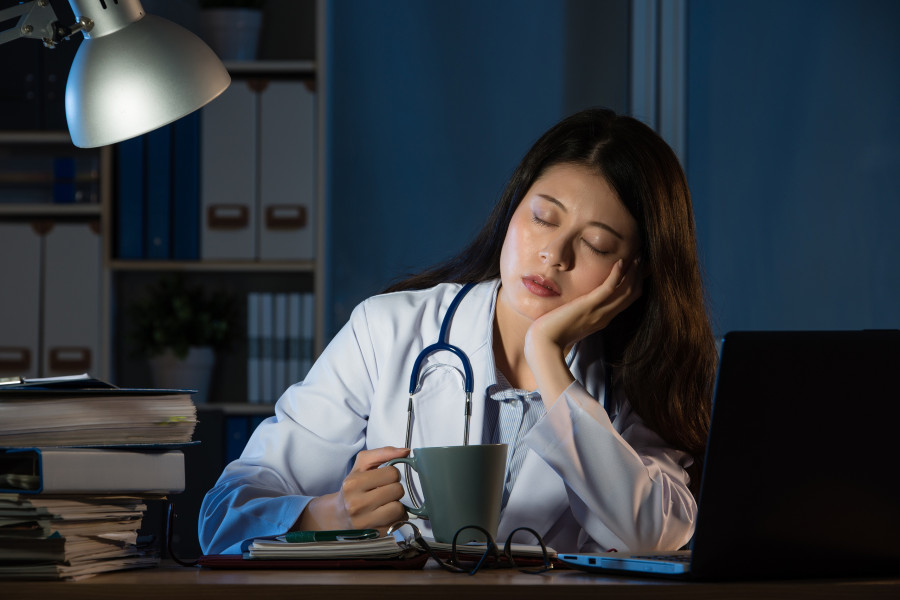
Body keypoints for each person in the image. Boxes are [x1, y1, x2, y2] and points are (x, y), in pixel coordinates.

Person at [198, 107, 718, 556]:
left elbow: (651, 535)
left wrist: (548, 359)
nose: (553, 255)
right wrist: (328, 514)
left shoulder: (640, 377)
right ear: (513, 207)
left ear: (636, 273)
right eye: (542, 217)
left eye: (598, 245)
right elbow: (222, 518)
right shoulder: (388, 331)